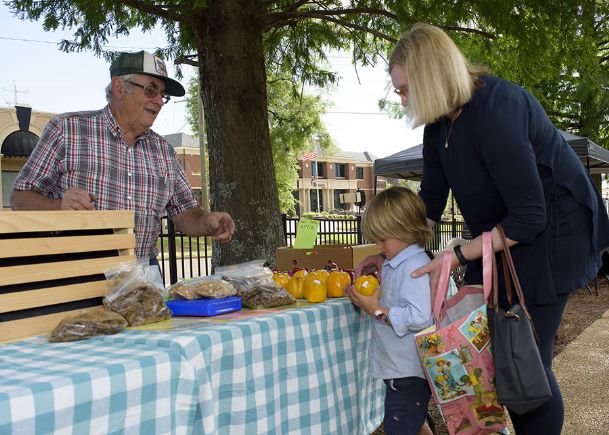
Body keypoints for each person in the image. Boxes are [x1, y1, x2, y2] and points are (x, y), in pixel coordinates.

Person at [354, 23, 609, 434]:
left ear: (431, 79)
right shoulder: (438, 126)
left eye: (404, 89)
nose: (400, 99)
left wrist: (458, 254)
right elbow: (430, 202)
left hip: (552, 238)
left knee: (524, 362)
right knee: (493, 361)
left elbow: (529, 217)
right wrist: (391, 251)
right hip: (502, 237)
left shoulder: (497, 112)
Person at [10, 51, 235, 264]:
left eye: (162, 95)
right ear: (119, 88)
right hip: (78, 270)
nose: (159, 100)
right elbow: (19, 199)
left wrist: (206, 221)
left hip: (144, 273)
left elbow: (185, 213)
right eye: (151, 90)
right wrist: (59, 206)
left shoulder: (165, 152)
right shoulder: (67, 129)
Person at [346, 186, 434, 435]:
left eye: (382, 239)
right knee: (412, 423)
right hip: (401, 367)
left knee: (401, 427)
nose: (378, 245)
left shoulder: (414, 266)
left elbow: (419, 316)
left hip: (408, 371)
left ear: (405, 231)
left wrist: (376, 309)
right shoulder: (398, 262)